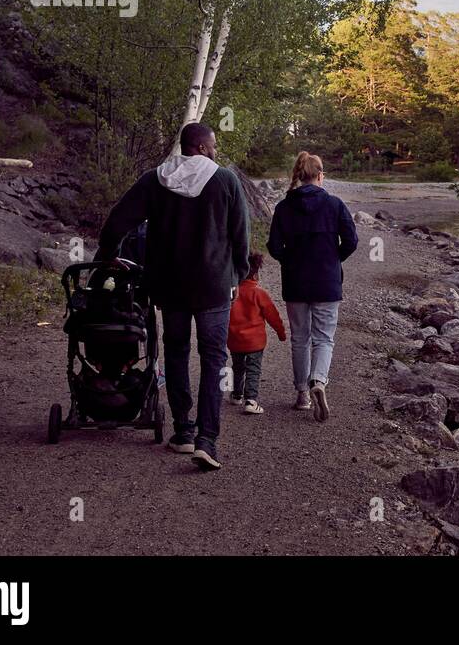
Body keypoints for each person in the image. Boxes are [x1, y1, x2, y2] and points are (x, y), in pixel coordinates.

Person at [96, 122, 249, 471]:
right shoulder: (225, 181)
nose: (215, 151)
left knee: (177, 351)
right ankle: (207, 441)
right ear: (199, 146)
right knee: (213, 359)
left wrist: (108, 256)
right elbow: (240, 234)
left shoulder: (155, 179)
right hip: (213, 286)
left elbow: (118, 219)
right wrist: (237, 275)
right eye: (212, 146)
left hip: (170, 285)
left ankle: (183, 431)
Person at [267, 152, 357, 420]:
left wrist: (290, 262)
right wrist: (332, 259)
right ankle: (318, 380)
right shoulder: (335, 204)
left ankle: (302, 394)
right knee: (324, 338)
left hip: (295, 282)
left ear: (299, 175)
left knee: (300, 339)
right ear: (320, 176)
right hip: (327, 282)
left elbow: (274, 246)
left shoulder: (284, 207)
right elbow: (351, 241)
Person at [227, 252, 286, 414]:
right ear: (255, 273)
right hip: (255, 342)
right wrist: (281, 333)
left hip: (235, 340)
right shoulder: (259, 293)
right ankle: (251, 400)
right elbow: (273, 316)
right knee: (253, 368)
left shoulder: (232, 294)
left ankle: (237, 395)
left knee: (238, 367)